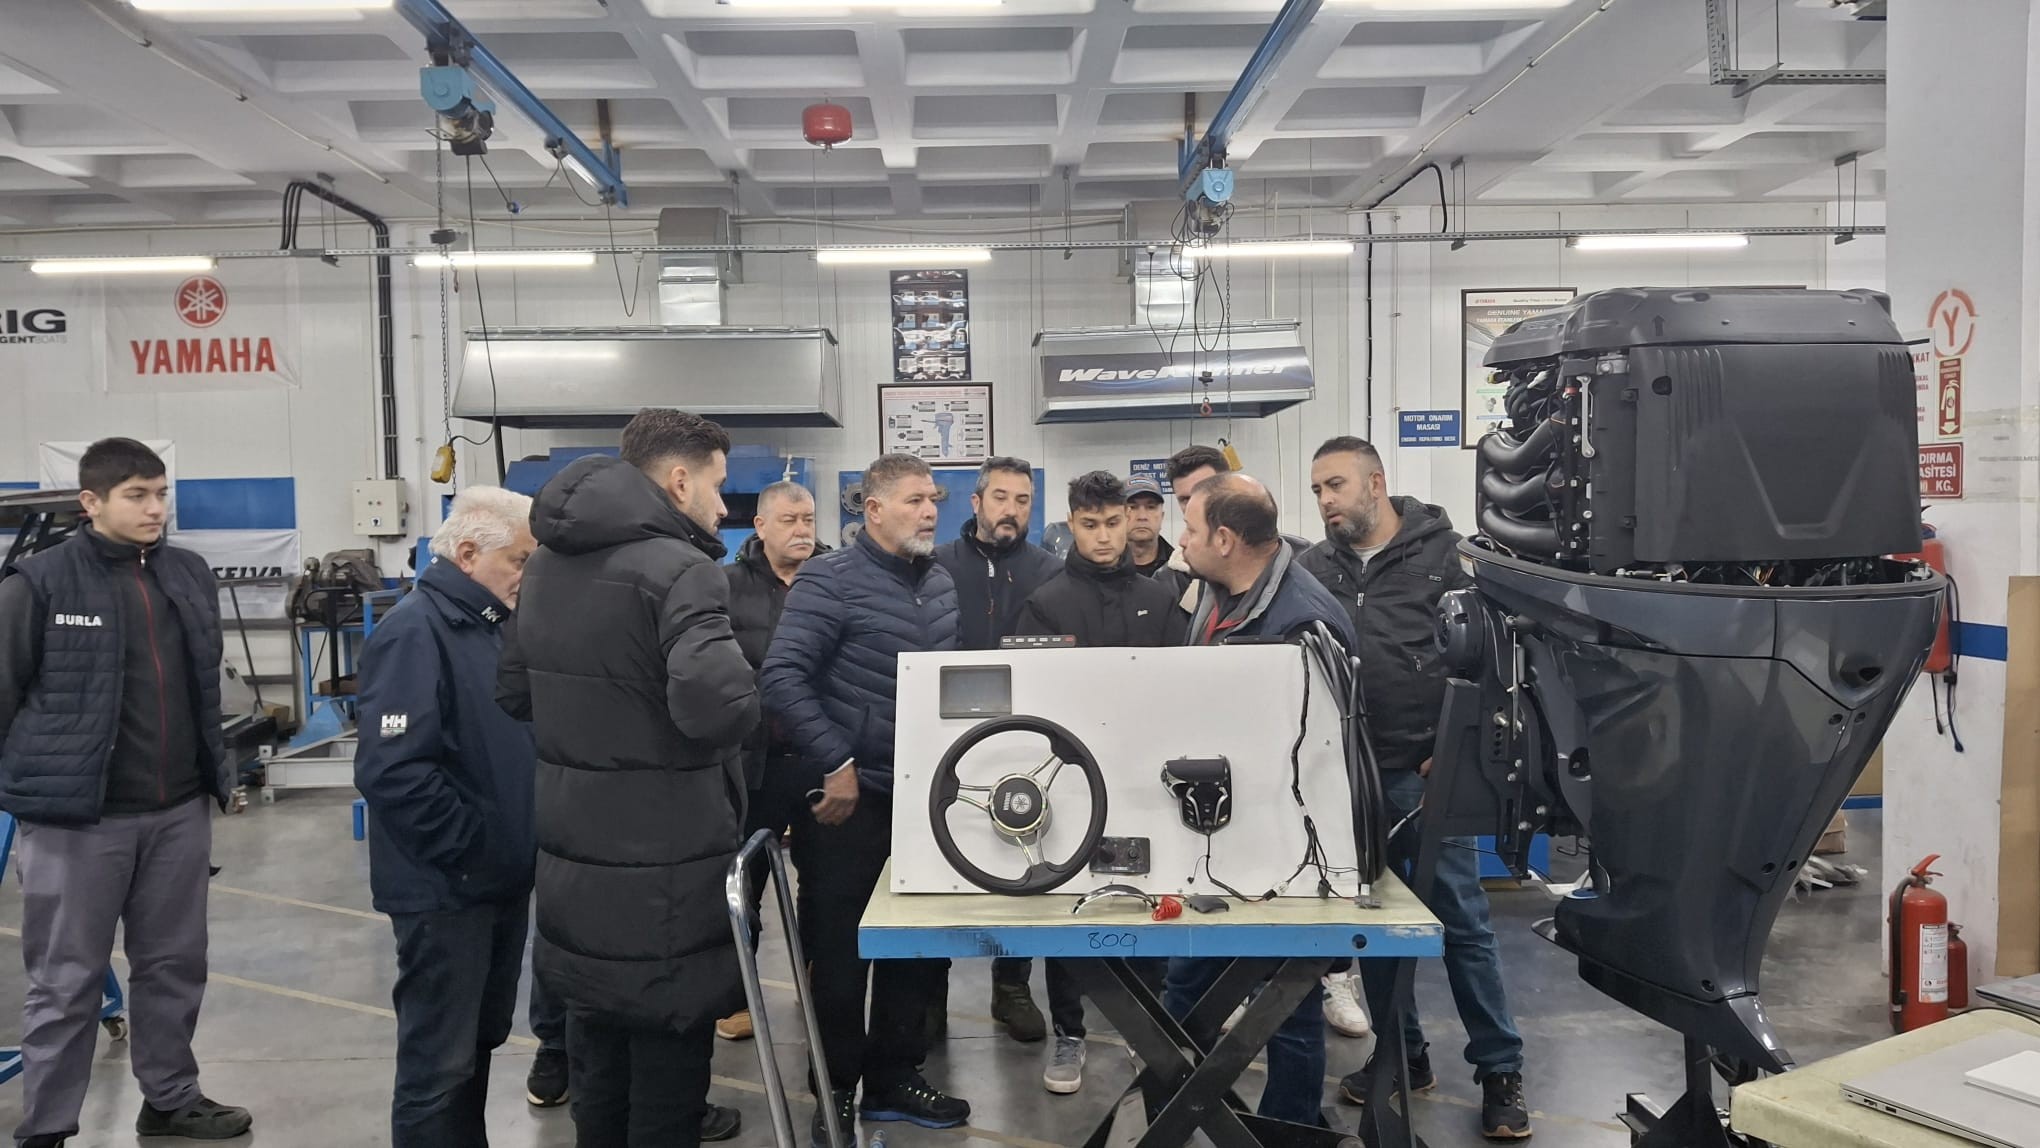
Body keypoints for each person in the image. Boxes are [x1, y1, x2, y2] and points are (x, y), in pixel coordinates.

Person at [499, 409, 755, 1148]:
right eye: (716, 485)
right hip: (665, 871)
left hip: (575, 863)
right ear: (678, 480)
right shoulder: (682, 570)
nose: (722, 506)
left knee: (599, 1073)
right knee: (668, 1084)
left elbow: (513, 691)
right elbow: (717, 707)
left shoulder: (546, 566)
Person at [0, 437, 252, 1147]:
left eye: (161, 494)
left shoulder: (188, 574)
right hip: (78, 822)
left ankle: (170, 1098)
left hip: (177, 812)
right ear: (92, 502)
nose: (154, 508)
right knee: (66, 981)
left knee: (173, 966)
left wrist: (214, 781)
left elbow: (202, 689)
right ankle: (47, 1126)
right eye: (137, 495)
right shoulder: (39, 582)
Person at [1301, 437, 1531, 1141]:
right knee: (1375, 929)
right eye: (1317, 491)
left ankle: (1500, 1070)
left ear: (1376, 483)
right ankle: (1402, 1056)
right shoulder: (1315, 568)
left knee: (1460, 925)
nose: (1326, 501)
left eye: (1336, 485)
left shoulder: (1448, 560)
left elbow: (1494, 663)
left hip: (1427, 775)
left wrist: (1458, 754)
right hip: (1349, 781)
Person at [762, 454, 971, 1148]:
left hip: (924, 802)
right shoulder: (830, 579)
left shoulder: (939, 582)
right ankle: (835, 1090)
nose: (929, 511)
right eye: (914, 500)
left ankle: (892, 1079)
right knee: (842, 956)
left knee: (916, 950)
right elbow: (782, 676)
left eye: (933, 499)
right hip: (850, 806)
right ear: (872, 509)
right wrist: (837, 762)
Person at [1165, 473, 1356, 1129]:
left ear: (1224, 538)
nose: (1180, 539)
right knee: (1189, 983)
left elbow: (1320, 756)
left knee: (1286, 1001)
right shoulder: (1219, 594)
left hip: (1282, 848)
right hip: (1218, 835)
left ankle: (1289, 1130)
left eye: (1191, 528)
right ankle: (1173, 1108)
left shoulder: (1301, 621)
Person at [353, 487, 538, 1148]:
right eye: (519, 560)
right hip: (446, 891)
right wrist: (474, 847)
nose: (526, 575)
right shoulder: (415, 632)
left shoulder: (488, 627)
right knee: (438, 1064)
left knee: (475, 1047)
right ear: (467, 554)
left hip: (494, 883)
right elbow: (393, 770)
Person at [1011, 472, 1182, 1095]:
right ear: (1072, 524)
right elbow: (1028, 696)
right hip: (1070, 779)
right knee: (1069, 905)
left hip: (1147, 776)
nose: (1104, 536)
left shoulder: (1161, 600)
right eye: (1091, 525)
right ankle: (1069, 1031)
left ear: (1129, 521)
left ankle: (1149, 1029)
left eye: (1113, 523)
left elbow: (1181, 687)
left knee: (1151, 895)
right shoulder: (1045, 604)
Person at [932, 456, 1060, 1042]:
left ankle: (1012, 986)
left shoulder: (1049, 570)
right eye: (1001, 497)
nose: (1012, 510)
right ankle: (928, 991)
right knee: (941, 854)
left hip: (1025, 734)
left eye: (1023, 500)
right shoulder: (936, 565)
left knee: (1022, 853)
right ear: (976, 502)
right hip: (943, 730)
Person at [716, 480, 827, 1043]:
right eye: (789, 520)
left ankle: (818, 981)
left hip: (823, 760)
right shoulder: (726, 586)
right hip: (752, 763)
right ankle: (736, 996)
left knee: (825, 883)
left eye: (808, 519)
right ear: (760, 526)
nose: (802, 529)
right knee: (746, 883)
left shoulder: (835, 581)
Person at [1123, 474, 1174, 579]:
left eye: (1151, 507)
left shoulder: (1181, 567)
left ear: (1162, 516)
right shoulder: (1102, 567)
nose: (1142, 516)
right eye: (1132, 507)